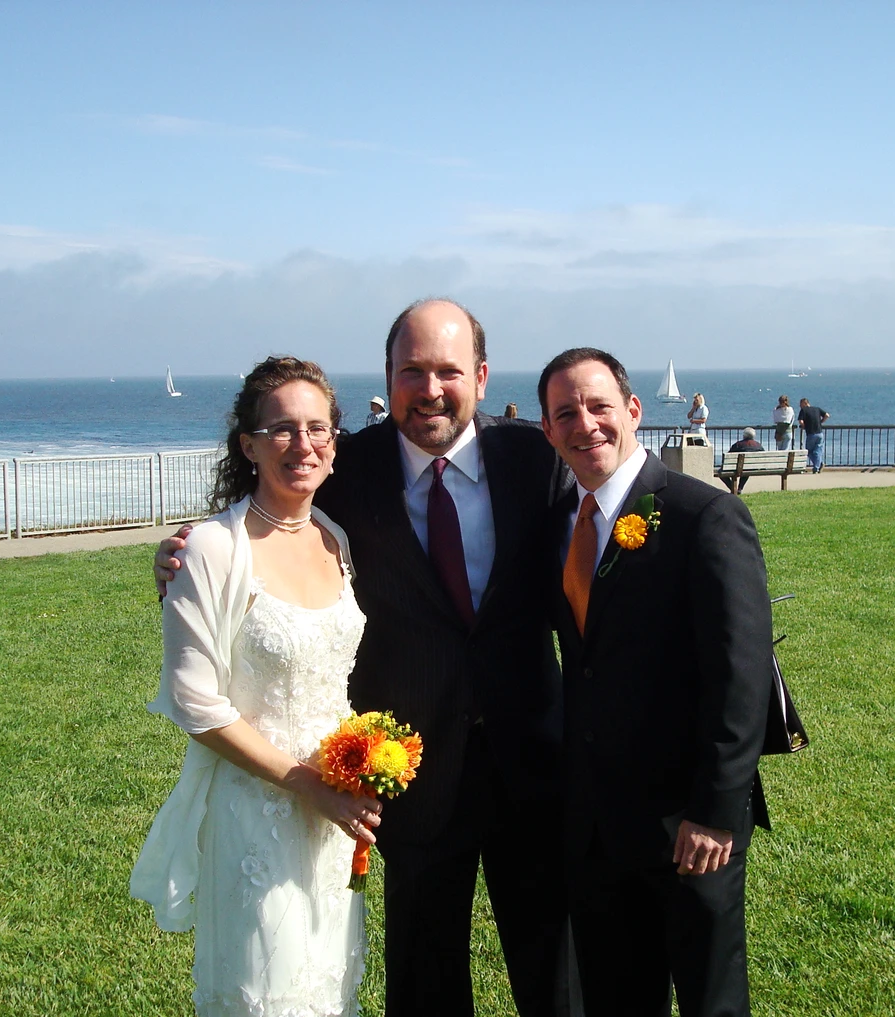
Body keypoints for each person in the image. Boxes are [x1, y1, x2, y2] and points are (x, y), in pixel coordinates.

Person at [156, 300, 576, 1017]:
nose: (430, 388)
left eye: (448, 370)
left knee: (558, 976)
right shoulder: (345, 472)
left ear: (479, 374)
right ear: (388, 375)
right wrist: (175, 558)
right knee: (423, 978)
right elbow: (262, 536)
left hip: (529, 760)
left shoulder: (534, 460)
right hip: (409, 773)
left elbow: (595, 553)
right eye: (411, 370)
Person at [132, 357, 374, 1016]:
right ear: (248, 443)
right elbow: (194, 702)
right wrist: (302, 781)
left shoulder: (337, 539)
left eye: (318, 427)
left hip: (334, 820)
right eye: (282, 429)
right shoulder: (210, 548)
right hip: (255, 816)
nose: (303, 444)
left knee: (330, 986)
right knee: (265, 994)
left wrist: (355, 771)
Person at [538, 347, 773, 1017]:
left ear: (633, 411)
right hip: (595, 824)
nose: (586, 424)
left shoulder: (705, 517)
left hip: (686, 821)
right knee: (615, 996)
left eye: (599, 406)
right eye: (565, 414)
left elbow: (741, 674)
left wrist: (715, 810)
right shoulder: (561, 526)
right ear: (550, 432)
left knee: (709, 998)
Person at [726, 427, 765, 492]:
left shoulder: (738, 444)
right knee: (746, 469)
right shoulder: (758, 445)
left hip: (738, 467)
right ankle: (739, 489)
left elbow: (728, 456)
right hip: (753, 467)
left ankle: (733, 488)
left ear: (744, 435)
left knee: (721, 473)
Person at [797, 397, 829, 473]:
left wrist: (804, 426)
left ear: (804, 403)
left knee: (809, 451)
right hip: (820, 433)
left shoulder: (803, 410)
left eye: (801, 404)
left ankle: (817, 466)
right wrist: (821, 422)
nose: (800, 406)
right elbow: (827, 415)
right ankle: (819, 464)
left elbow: (800, 421)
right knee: (818, 450)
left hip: (811, 433)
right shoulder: (817, 409)